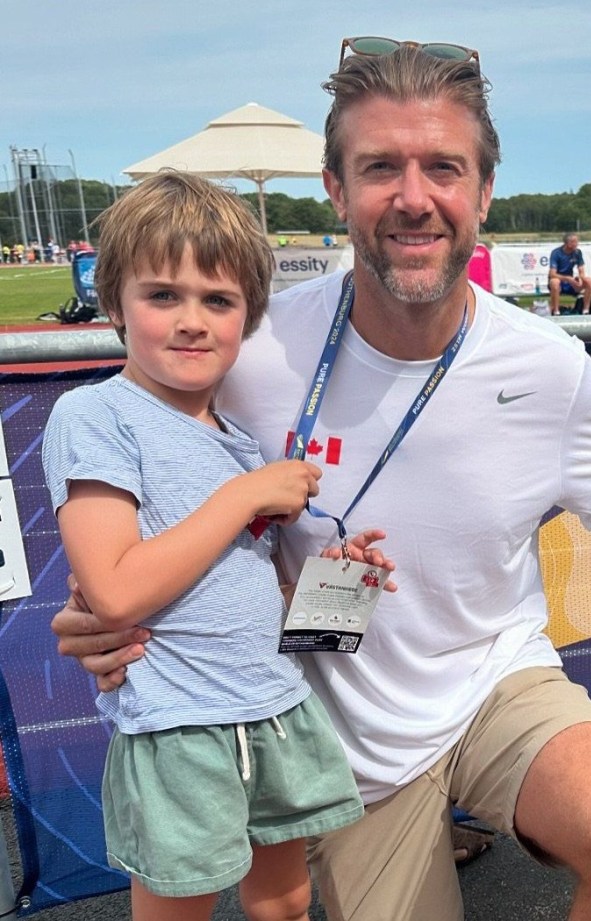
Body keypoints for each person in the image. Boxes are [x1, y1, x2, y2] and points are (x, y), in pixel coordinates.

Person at [51, 40, 591, 921]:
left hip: (497, 684)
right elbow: (149, 504)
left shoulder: (550, 368)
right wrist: (102, 614)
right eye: (381, 166)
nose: (414, 197)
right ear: (336, 190)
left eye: (443, 167)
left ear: (483, 192)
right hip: (333, 736)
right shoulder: (245, 352)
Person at [42, 171, 398, 921]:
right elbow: (114, 591)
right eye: (162, 295)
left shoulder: (238, 440)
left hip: (276, 706)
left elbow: (246, 592)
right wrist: (245, 495)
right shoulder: (95, 414)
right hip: (179, 725)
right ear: (114, 304)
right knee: (179, 907)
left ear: (248, 317)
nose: (191, 321)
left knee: (287, 901)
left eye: (218, 300)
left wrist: (333, 586)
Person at [548, 232, 591, 315]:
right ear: (568, 243)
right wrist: (567, 279)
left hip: (571, 282)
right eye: (574, 242)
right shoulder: (556, 253)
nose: (577, 244)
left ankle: (586, 310)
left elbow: (581, 270)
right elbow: (552, 274)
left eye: (577, 241)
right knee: (554, 282)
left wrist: (580, 278)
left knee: (589, 281)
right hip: (560, 281)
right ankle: (556, 311)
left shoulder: (577, 252)